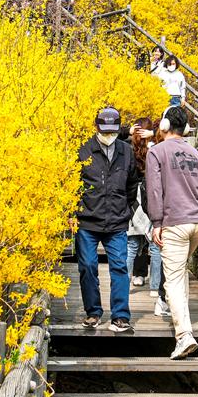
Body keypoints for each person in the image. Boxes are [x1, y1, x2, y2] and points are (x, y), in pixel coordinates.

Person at [146, 105, 198, 359]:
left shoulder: (157, 152)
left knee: (172, 278)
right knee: (180, 270)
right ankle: (183, 321)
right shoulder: (195, 153)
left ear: (164, 126)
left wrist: (156, 222)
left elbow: (154, 190)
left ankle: (184, 335)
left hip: (175, 222)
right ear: (184, 129)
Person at [76, 107, 140, 333]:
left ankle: (120, 316)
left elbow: (132, 183)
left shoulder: (126, 151)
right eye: (105, 131)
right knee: (87, 266)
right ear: (96, 127)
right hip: (87, 220)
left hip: (117, 221)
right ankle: (93, 312)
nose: (109, 135)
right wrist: (73, 212)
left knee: (120, 267)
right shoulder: (84, 149)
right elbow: (73, 182)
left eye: (113, 131)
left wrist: (127, 208)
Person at [125, 117, 161, 293]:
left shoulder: (127, 149)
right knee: (155, 246)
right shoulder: (156, 149)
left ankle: (124, 285)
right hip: (152, 197)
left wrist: (128, 132)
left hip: (134, 199)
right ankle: (155, 288)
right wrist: (154, 136)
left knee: (131, 246)